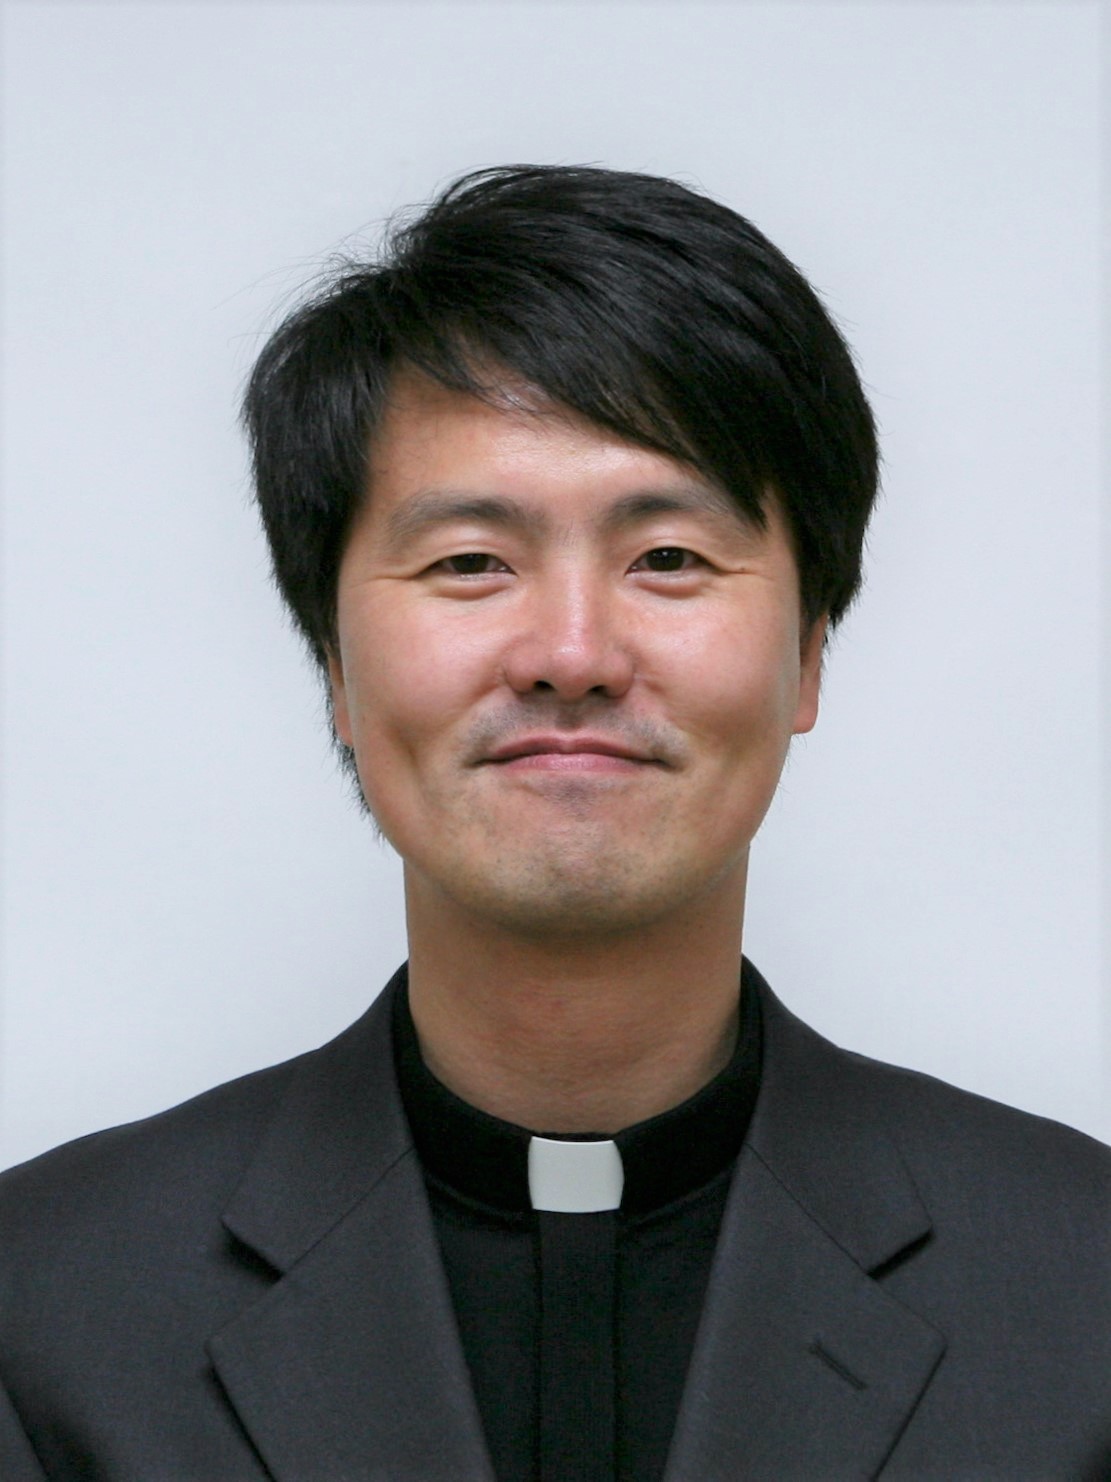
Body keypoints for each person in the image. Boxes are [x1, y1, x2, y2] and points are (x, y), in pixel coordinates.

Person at [1, 165, 1107, 1482]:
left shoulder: (1083, 1286)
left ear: (809, 652)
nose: (572, 654)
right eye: (471, 560)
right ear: (335, 666)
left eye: (668, 559)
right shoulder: (44, 1305)